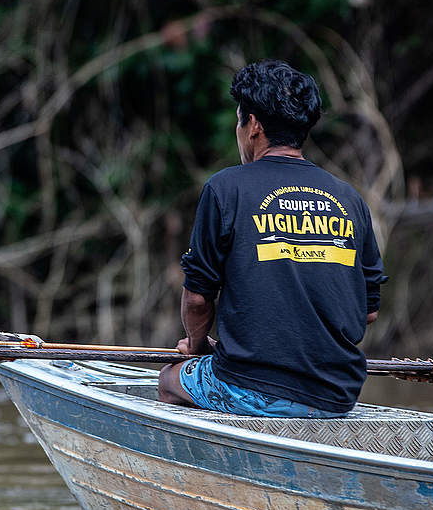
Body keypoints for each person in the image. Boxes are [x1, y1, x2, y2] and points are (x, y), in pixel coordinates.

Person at [157, 59, 387, 417]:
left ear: (253, 126)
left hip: (251, 386)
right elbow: (369, 311)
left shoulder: (224, 188)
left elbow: (199, 300)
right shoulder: (348, 198)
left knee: (170, 381)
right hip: (338, 395)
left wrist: (197, 345)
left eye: (239, 119)